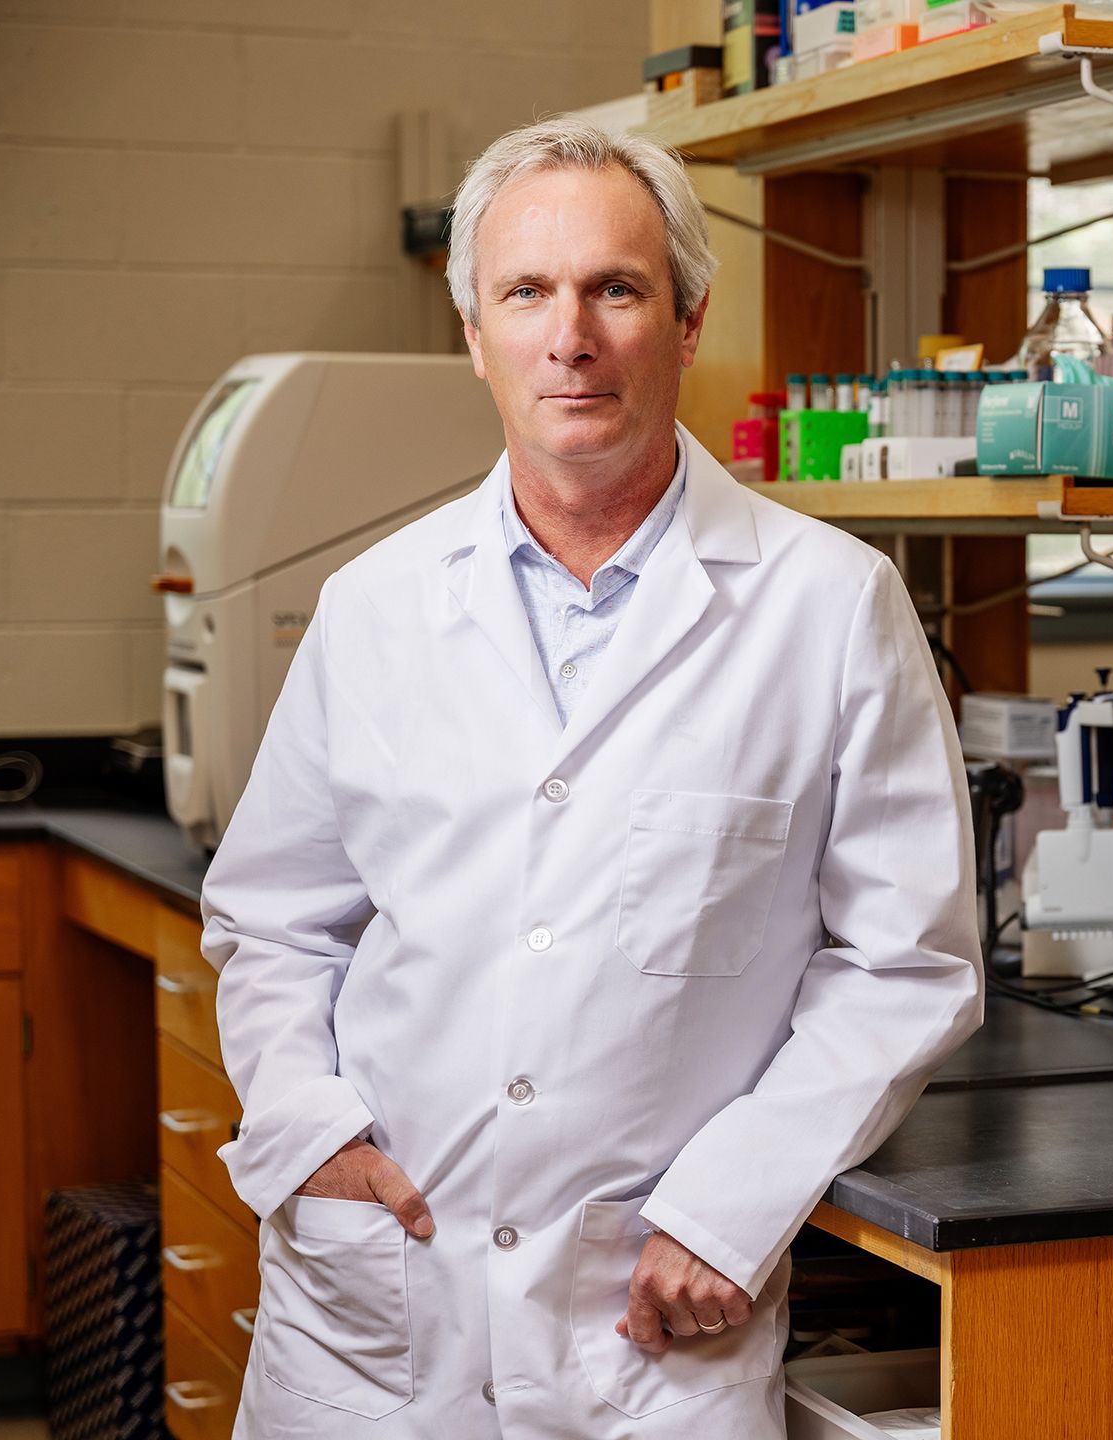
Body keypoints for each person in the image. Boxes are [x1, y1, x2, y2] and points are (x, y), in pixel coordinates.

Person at [200, 116, 982, 1437]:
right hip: (383, 1304)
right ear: (474, 336)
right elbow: (273, 919)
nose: (570, 337)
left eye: (615, 289)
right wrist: (308, 1136)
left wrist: (735, 1201)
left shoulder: (831, 608)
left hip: (648, 1319)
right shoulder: (373, 607)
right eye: (527, 293)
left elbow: (906, 959)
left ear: (685, 323)